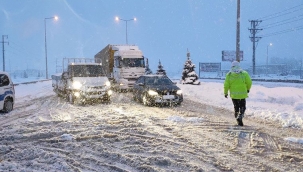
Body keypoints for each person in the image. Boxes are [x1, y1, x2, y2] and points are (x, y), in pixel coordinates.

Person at [224, 61, 252, 126]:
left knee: (236, 107)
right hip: (242, 94)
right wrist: (248, 89)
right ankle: (240, 116)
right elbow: (249, 82)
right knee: (243, 107)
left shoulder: (229, 75)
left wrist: (225, 93)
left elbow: (226, 85)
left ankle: (237, 117)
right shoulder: (244, 73)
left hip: (234, 95)